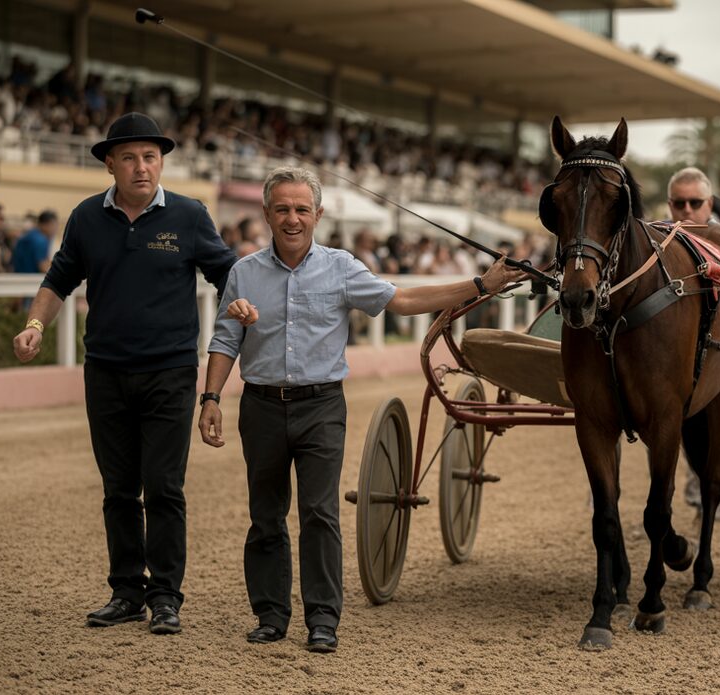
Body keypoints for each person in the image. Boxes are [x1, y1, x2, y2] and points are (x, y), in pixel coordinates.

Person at [198, 166, 526, 653]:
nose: (293, 218)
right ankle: (270, 615)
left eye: (302, 209)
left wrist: (479, 286)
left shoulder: (341, 267)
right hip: (261, 407)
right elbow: (226, 339)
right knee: (265, 515)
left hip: (321, 407)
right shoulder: (243, 273)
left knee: (320, 513)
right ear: (266, 213)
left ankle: (323, 621)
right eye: (283, 209)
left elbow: (406, 299)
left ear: (319, 215)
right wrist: (211, 398)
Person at [12, 112, 236, 634]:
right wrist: (35, 325)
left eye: (151, 157)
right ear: (110, 163)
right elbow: (58, 279)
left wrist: (242, 309)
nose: (142, 167)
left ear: (162, 162)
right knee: (118, 489)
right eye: (131, 157)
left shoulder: (189, 214)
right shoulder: (87, 217)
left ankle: (166, 597)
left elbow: (227, 273)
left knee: (163, 487)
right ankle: (126, 591)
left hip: (171, 371)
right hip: (106, 372)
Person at [665, 167, 720, 524]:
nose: (687, 211)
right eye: (679, 203)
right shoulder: (656, 240)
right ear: (670, 204)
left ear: (709, 204)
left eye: (695, 203)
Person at [11, 209, 59, 274]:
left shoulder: (28, 236)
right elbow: (43, 267)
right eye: (53, 225)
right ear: (44, 225)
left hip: (18, 277)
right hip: (31, 280)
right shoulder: (41, 240)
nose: (55, 229)